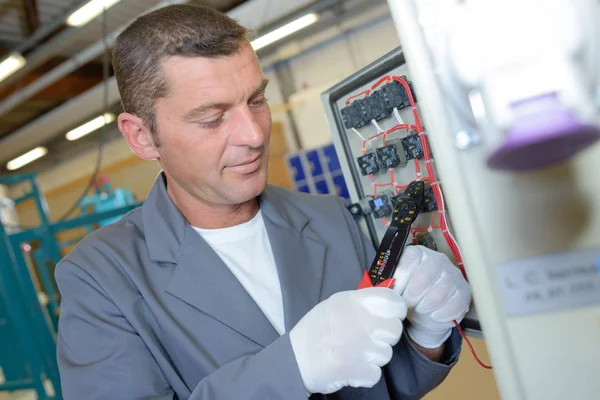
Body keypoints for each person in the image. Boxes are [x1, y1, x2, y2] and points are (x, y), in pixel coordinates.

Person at [55, 4, 472, 400]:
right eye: (211, 118)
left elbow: (390, 385)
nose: (253, 134)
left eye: (256, 100)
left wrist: (426, 336)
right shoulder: (100, 278)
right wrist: (292, 367)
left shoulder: (331, 218)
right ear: (141, 136)